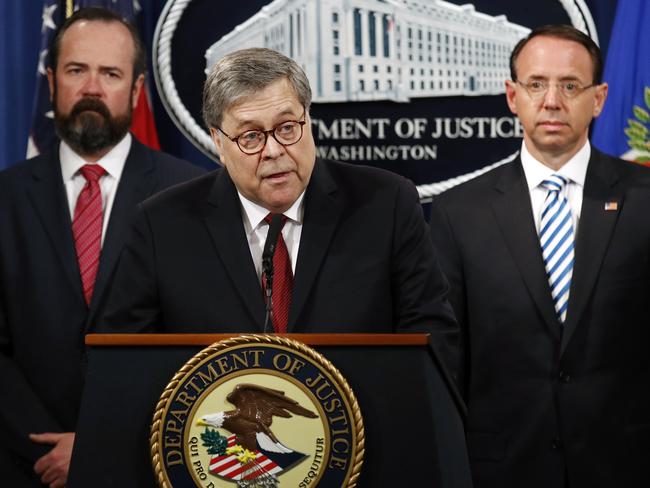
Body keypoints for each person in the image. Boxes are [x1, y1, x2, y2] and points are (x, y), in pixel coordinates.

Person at [96, 47, 458, 376]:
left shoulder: (386, 204)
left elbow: (431, 339)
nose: (273, 150)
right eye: (250, 136)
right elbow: (126, 362)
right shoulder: (162, 226)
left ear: (308, 119)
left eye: (287, 128)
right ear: (219, 142)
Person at [429, 24, 650, 488]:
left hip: (625, 464)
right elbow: (446, 358)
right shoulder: (458, 212)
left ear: (600, 98)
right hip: (500, 468)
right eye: (536, 84)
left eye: (570, 85)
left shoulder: (644, 198)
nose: (552, 100)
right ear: (513, 96)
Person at [0, 8, 204, 487]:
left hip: (145, 462)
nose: (92, 87)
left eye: (110, 73)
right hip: (24, 465)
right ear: (51, 81)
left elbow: (194, 344)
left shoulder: (192, 196)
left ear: (135, 90)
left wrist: (102, 441)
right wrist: (45, 447)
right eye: (76, 70)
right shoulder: (4, 199)